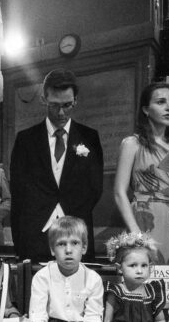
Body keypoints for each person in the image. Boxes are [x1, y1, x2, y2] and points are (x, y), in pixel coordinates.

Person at [10, 70, 104, 262]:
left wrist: (70, 215)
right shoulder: (26, 139)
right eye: (54, 105)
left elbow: (95, 188)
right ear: (44, 99)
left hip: (76, 233)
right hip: (35, 232)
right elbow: (18, 191)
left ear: (75, 100)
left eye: (67, 105)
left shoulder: (89, 138)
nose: (61, 113)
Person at [112, 82, 169, 265]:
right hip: (145, 217)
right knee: (146, 274)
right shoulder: (133, 143)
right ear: (146, 110)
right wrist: (136, 233)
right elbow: (119, 192)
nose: (168, 108)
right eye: (161, 102)